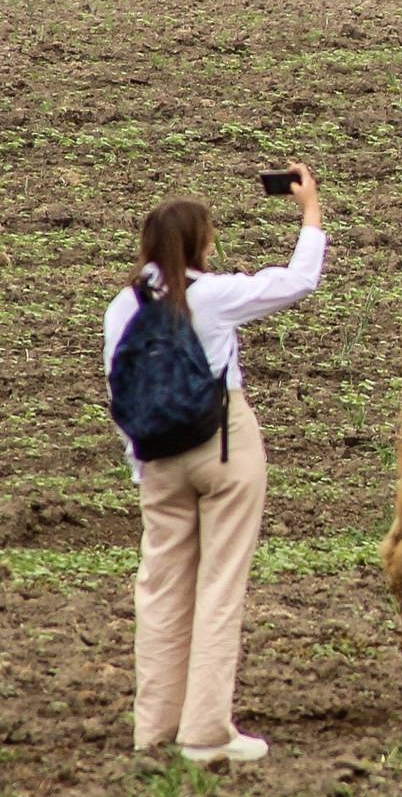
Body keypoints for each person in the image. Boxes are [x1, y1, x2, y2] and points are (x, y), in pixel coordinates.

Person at [102, 165, 325, 763]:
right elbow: (299, 281)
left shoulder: (121, 308)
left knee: (161, 589)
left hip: (156, 459)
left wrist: (141, 466)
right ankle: (204, 732)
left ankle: (154, 730)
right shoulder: (214, 295)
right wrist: (310, 213)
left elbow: (118, 390)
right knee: (219, 584)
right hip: (222, 446)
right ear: (200, 243)